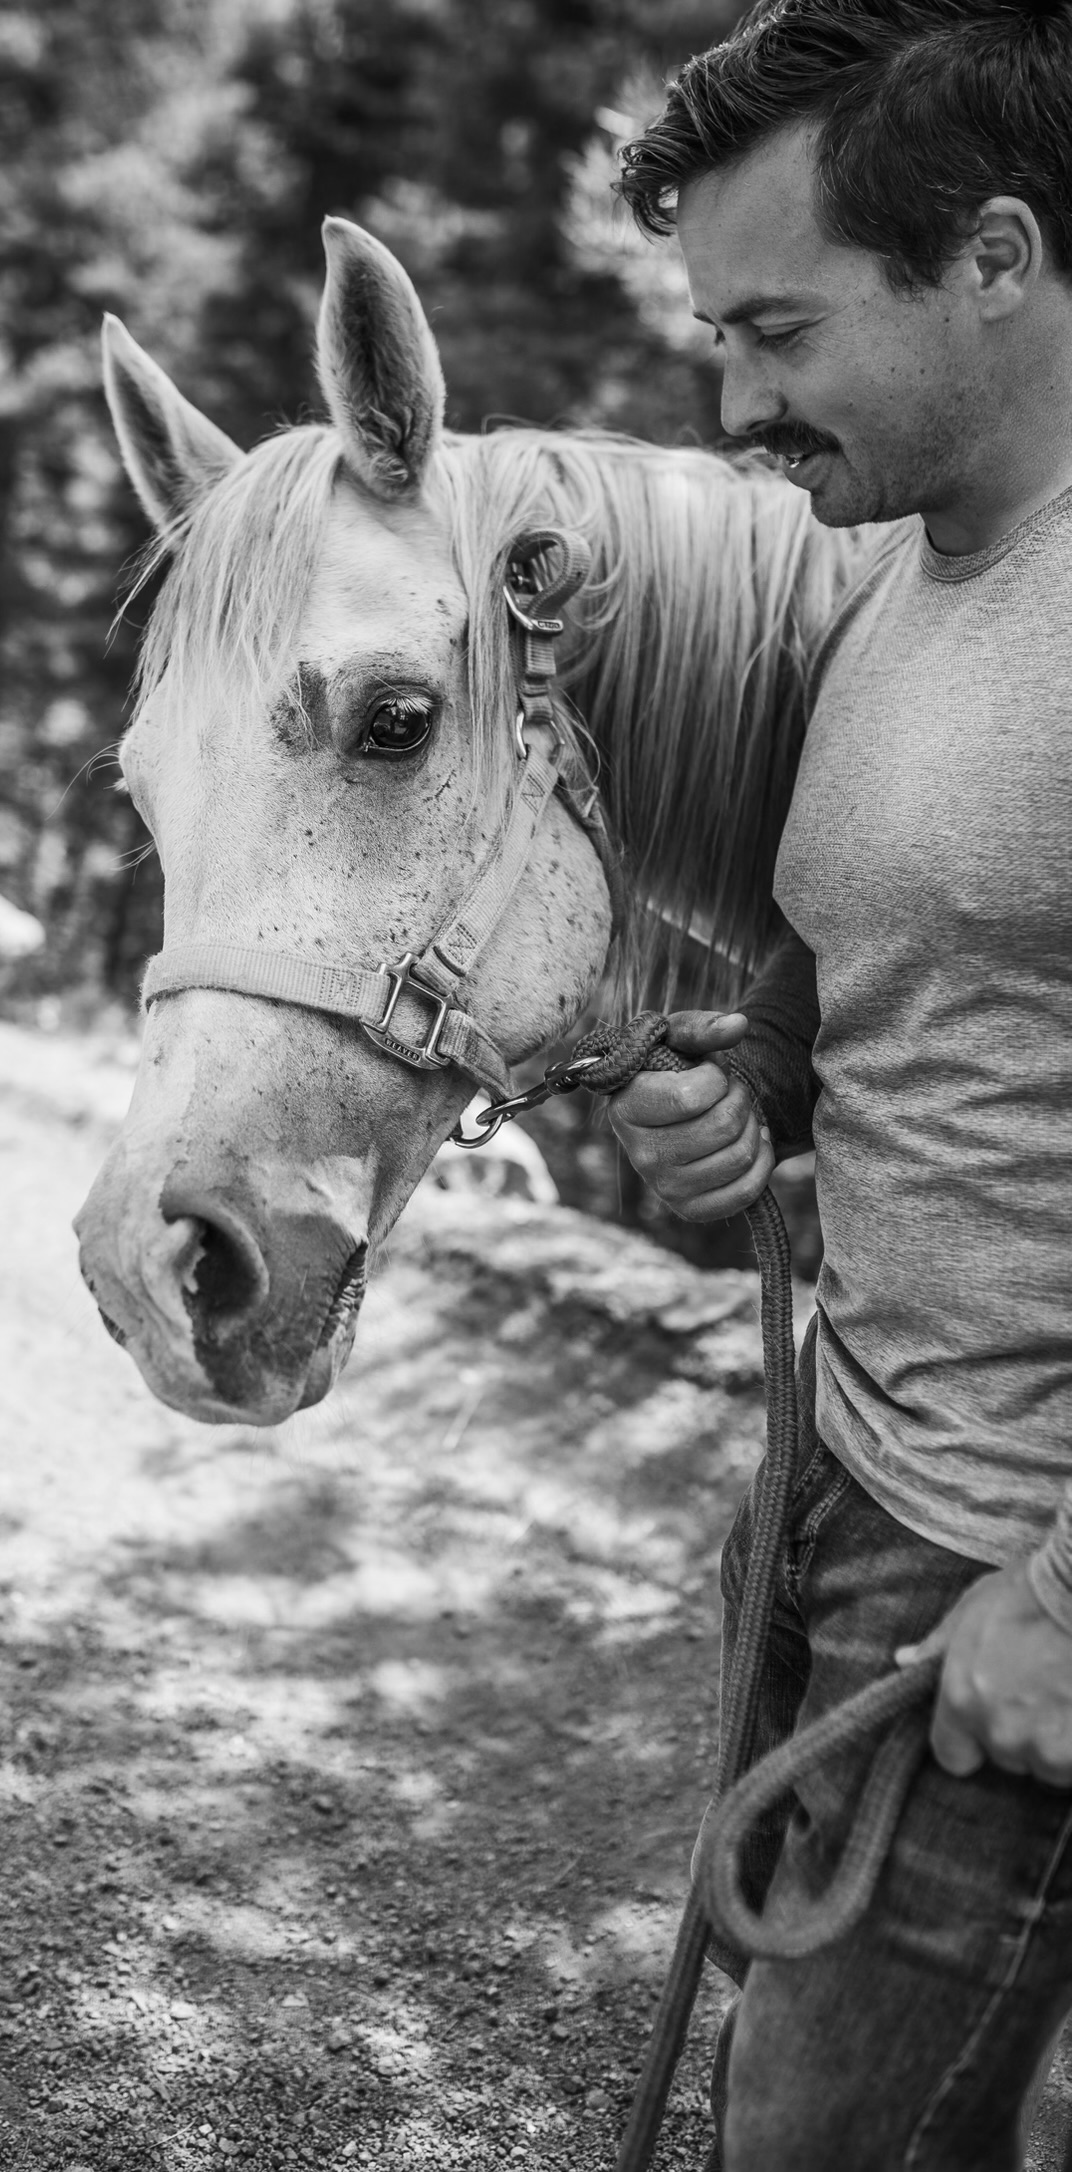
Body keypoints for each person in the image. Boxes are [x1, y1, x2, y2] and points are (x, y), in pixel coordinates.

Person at [613, 4, 1072, 2166]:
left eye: (777, 329)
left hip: (1006, 1582)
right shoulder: (890, 572)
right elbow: (885, 973)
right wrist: (755, 1095)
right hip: (839, 1490)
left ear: (993, 258)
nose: (733, 405)